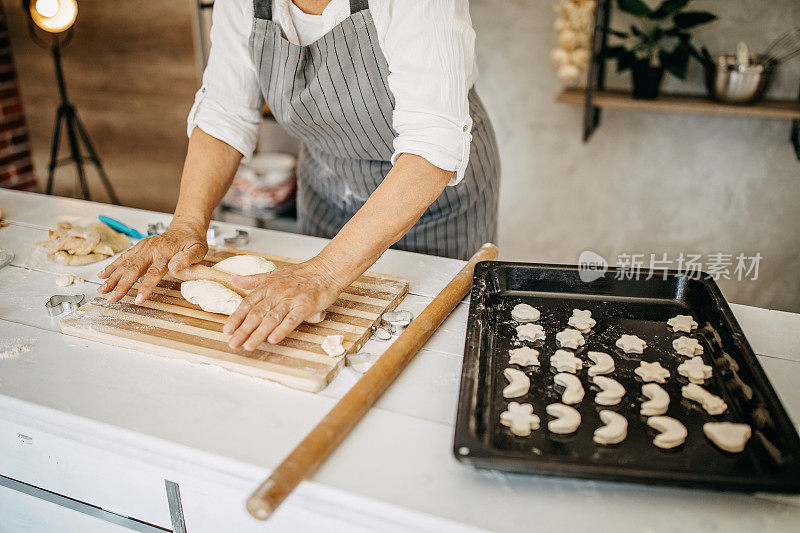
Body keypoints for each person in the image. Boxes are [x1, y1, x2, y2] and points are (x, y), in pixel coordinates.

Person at [98, 0, 500, 351]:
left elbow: (432, 143)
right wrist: (185, 224)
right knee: (326, 336)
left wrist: (324, 272)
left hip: (433, 199)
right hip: (326, 182)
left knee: (428, 343)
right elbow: (225, 113)